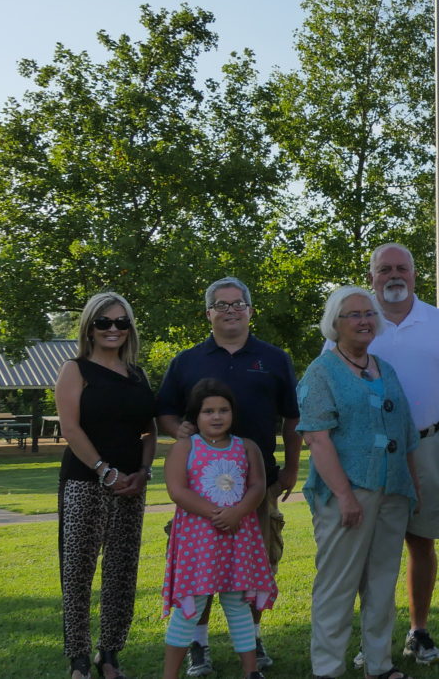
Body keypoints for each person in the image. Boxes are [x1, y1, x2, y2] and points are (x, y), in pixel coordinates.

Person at [323, 243, 439, 667]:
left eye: (401, 268)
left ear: (414, 274)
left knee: (420, 540)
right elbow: (330, 384)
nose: (393, 275)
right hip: (367, 452)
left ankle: (418, 631)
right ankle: (373, 642)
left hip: (428, 444)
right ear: (371, 276)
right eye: (384, 268)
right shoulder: (355, 322)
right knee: (368, 546)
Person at [156, 277, 300, 675]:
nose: (230, 310)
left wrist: (289, 467)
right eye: (221, 304)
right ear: (209, 313)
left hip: (257, 484)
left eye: (238, 303)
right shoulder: (187, 361)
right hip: (199, 491)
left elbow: (292, 416)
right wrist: (179, 432)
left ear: (251, 310)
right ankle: (198, 646)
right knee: (201, 569)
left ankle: (250, 638)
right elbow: (165, 410)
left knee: (256, 563)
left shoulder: (274, 358)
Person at [300, 286, 420, 679]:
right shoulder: (322, 372)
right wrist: (344, 495)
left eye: (369, 313)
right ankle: (328, 669)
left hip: (392, 492)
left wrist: (411, 487)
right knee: (337, 586)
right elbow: (317, 437)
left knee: (383, 584)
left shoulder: (386, 369)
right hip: (346, 496)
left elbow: (405, 435)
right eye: (353, 314)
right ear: (334, 324)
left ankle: (378, 665)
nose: (364, 320)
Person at [55, 292, 156, 679]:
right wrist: (103, 470)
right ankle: (78, 658)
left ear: (129, 328)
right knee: (78, 570)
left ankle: (109, 655)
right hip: (85, 481)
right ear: (90, 327)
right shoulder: (75, 369)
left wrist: (143, 472)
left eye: (121, 322)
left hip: (132, 484)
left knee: (121, 570)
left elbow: (147, 429)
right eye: (104, 322)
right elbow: (70, 427)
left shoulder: (137, 375)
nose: (113, 329)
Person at [162, 379, 276, 679]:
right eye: (208, 411)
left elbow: (258, 485)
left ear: (232, 413)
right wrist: (218, 514)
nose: (216, 416)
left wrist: (237, 512)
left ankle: (251, 671)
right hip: (199, 539)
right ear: (195, 416)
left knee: (238, 602)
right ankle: (169, 674)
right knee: (192, 604)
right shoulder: (185, 447)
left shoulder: (246, 447)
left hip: (239, 536)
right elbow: (177, 490)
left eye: (223, 410)